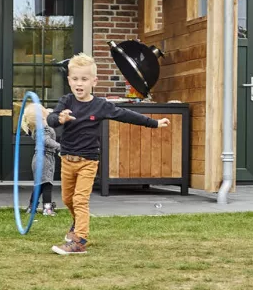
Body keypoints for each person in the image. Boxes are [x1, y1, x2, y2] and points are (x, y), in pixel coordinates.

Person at [41, 53, 170, 256]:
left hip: (88, 161)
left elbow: (127, 115)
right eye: (75, 79)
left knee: (80, 200)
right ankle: (77, 225)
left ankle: (80, 240)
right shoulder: (66, 101)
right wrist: (60, 118)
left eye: (84, 79)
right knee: (68, 199)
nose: (79, 83)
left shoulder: (100, 106)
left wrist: (154, 123)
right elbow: (51, 120)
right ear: (69, 80)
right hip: (67, 159)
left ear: (94, 81)